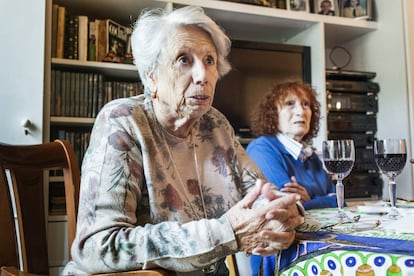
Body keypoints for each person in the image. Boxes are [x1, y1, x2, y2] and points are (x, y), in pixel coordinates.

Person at [62, 6, 304, 276]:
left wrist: (283, 212)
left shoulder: (216, 125)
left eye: (209, 60)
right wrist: (225, 234)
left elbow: (259, 191)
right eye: (183, 59)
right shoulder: (124, 121)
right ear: (152, 77)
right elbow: (98, 247)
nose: (202, 76)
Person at [246, 81, 337, 275]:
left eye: (306, 104)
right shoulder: (262, 148)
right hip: (281, 257)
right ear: (273, 113)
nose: (300, 111)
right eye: (289, 103)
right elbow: (283, 206)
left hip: (321, 246)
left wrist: (308, 201)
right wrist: (320, 199)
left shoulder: (310, 155)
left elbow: (338, 199)